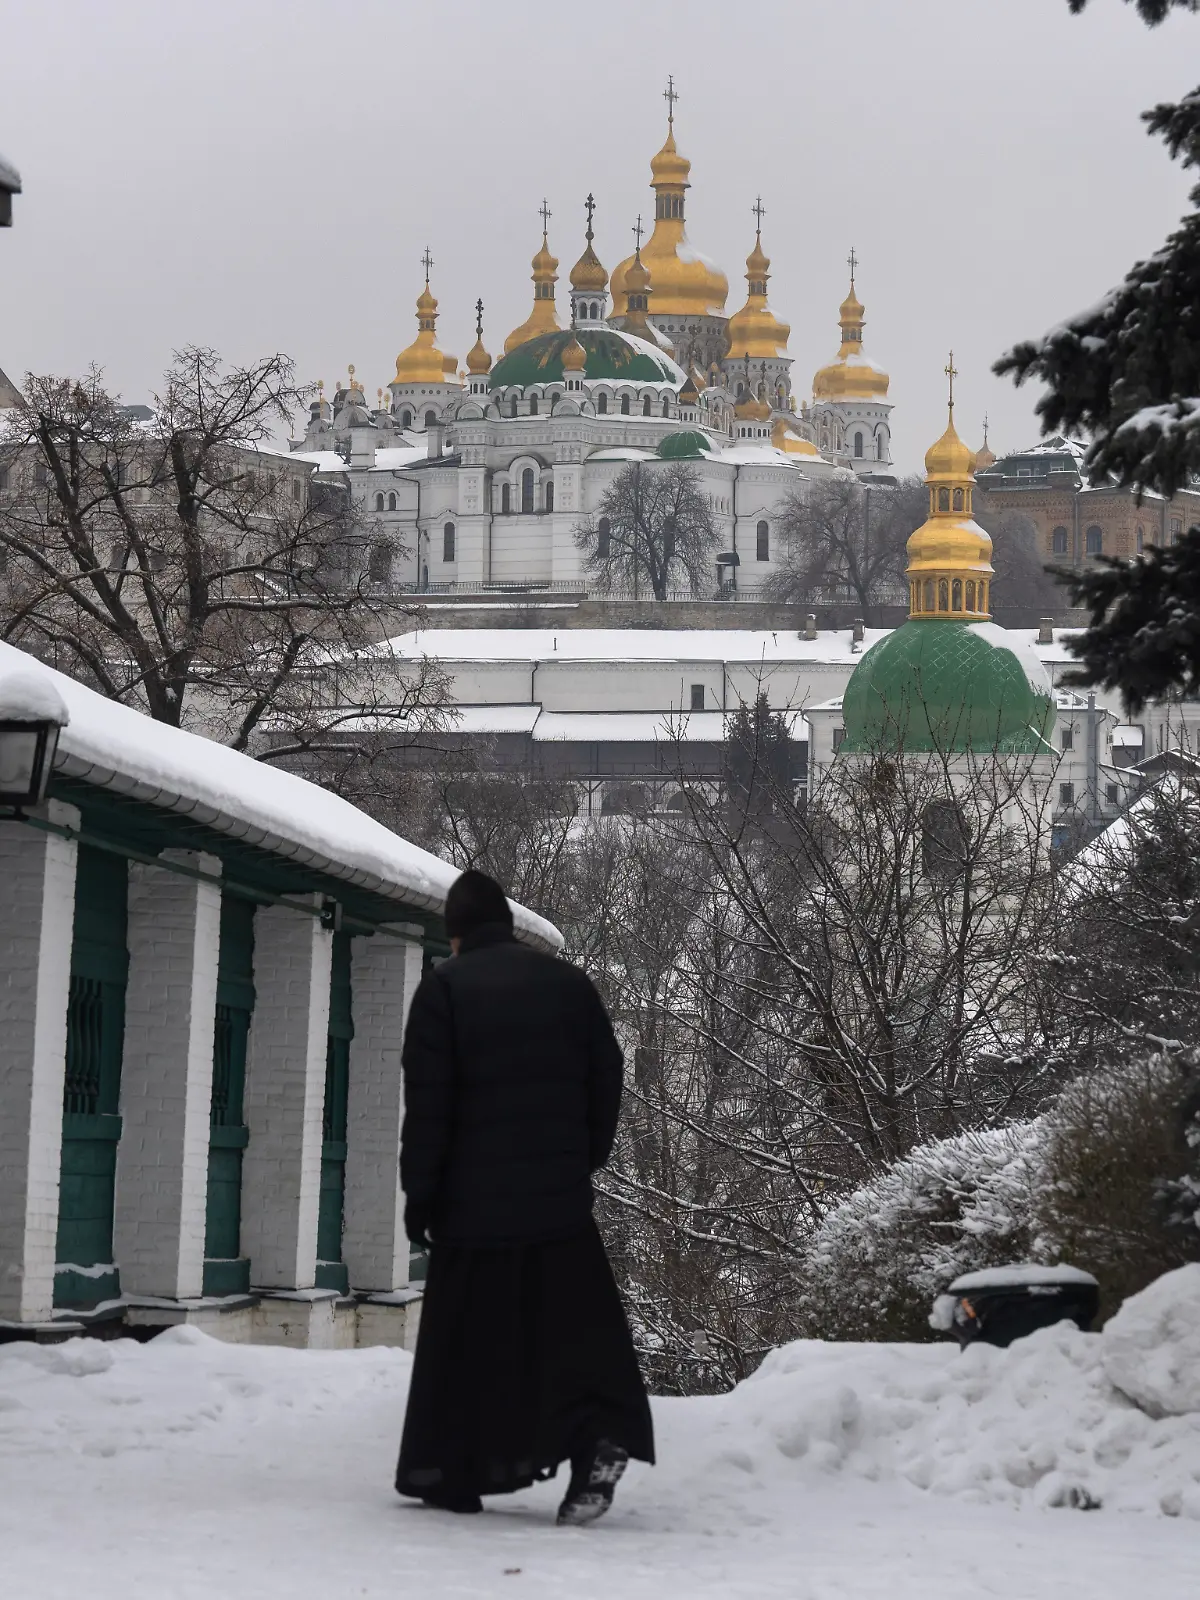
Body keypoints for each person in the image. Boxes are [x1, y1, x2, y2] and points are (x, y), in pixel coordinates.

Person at [394, 868, 655, 1525]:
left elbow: (430, 1107)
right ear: (507, 924)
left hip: (471, 1210)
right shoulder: (570, 985)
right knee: (569, 1337)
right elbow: (607, 1074)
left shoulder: (443, 990)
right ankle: (597, 1439)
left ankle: (455, 1471)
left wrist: (420, 1197)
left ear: (455, 934)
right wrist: (582, 1159)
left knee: (471, 1346)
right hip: (557, 1207)